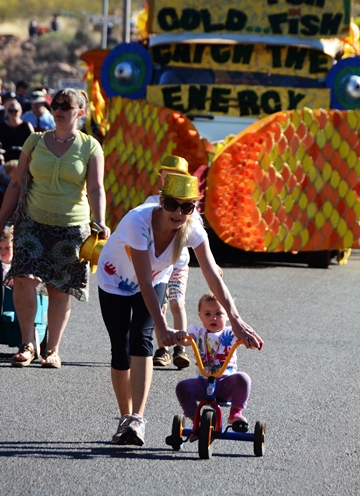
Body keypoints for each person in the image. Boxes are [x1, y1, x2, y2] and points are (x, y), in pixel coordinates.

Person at [97, 173, 263, 447]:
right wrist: (163, 325)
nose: (178, 212)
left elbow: (212, 273)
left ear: (194, 208)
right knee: (121, 345)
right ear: (161, 201)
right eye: (173, 204)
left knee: (142, 337)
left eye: (187, 206)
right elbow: (142, 281)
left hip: (155, 279)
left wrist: (235, 318)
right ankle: (124, 415)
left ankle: (136, 419)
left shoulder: (193, 226)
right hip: (115, 278)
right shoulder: (137, 222)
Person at [0, 88, 111, 368]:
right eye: (56, 104)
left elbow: (96, 188)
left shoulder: (90, 146)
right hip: (32, 223)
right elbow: (15, 183)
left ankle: (52, 349)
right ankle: (28, 343)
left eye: (67, 105)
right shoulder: (35, 141)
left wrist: (100, 220)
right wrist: (1, 220)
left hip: (71, 226)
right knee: (23, 278)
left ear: (80, 113)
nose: (59, 109)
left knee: (59, 288)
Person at [176, 291, 252, 438]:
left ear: (228, 316)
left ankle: (235, 413)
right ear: (200, 316)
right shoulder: (196, 331)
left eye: (218, 313)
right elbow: (186, 340)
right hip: (203, 383)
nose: (213, 318)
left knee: (243, 378)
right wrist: (179, 337)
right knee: (183, 387)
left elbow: (244, 336)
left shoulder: (231, 333)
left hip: (225, 383)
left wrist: (249, 339)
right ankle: (195, 419)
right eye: (208, 314)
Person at [147, 155, 192, 369]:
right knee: (160, 306)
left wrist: (214, 263)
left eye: (176, 177)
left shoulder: (188, 206)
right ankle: (162, 348)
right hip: (159, 265)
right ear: (160, 180)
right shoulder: (150, 203)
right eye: (166, 177)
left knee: (177, 303)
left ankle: (180, 348)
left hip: (179, 263)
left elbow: (198, 234)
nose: (169, 181)